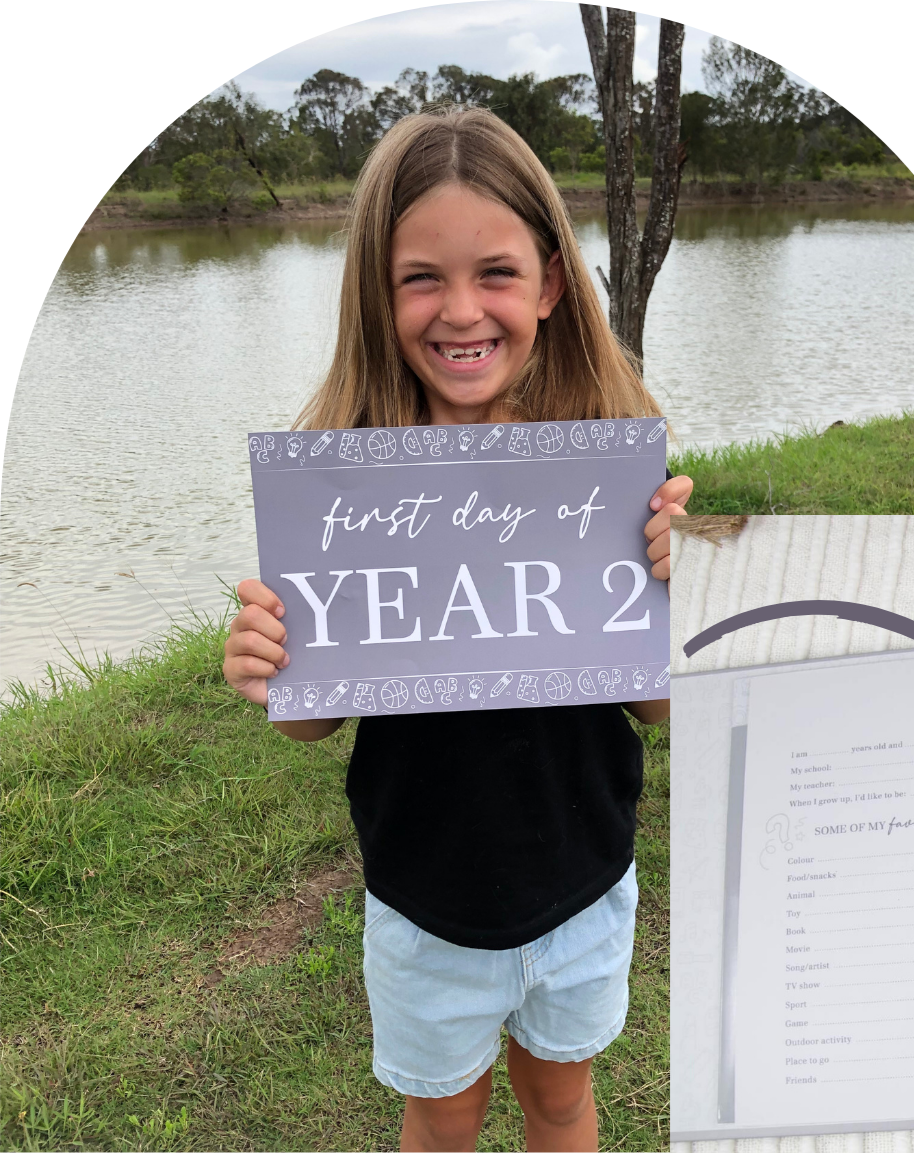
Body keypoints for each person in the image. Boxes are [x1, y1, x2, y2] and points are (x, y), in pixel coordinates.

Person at [221, 106, 689, 1152]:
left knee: (562, 1100)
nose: (461, 309)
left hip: (583, 881)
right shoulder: (338, 475)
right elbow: (315, 723)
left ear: (553, 284)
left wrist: (685, 601)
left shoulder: (608, 466)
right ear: (376, 298)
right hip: (425, 897)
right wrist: (273, 670)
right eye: (421, 277)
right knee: (440, 1116)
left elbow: (655, 705)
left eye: (498, 273)